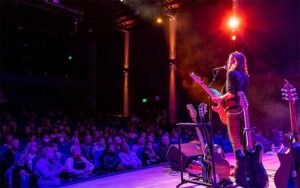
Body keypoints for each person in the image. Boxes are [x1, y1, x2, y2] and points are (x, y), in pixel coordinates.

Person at [212, 51, 249, 175]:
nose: (227, 63)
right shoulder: (245, 74)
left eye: (229, 60)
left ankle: (239, 168)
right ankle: (246, 166)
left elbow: (231, 93)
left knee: (235, 141)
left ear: (233, 61)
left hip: (232, 110)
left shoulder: (231, 73)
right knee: (244, 140)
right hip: (243, 109)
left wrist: (219, 99)